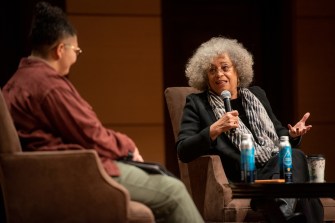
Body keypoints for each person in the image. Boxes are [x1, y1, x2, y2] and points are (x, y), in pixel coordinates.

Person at [2, 2, 204, 223]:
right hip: (76, 173)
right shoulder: (49, 86)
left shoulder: (15, 83)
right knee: (173, 191)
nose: (76, 57)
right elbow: (90, 134)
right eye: (76, 50)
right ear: (61, 49)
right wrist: (127, 146)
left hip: (45, 176)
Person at [177, 36, 323, 223]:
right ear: (205, 76)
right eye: (212, 70)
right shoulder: (197, 103)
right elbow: (183, 150)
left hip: (273, 169)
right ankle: (284, 215)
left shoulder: (257, 95)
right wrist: (214, 129)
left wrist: (292, 135)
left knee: (294, 157)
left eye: (225, 67)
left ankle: (280, 212)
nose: (218, 74)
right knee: (300, 172)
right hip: (244, 174)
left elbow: (279, 133)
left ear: (238, 70)